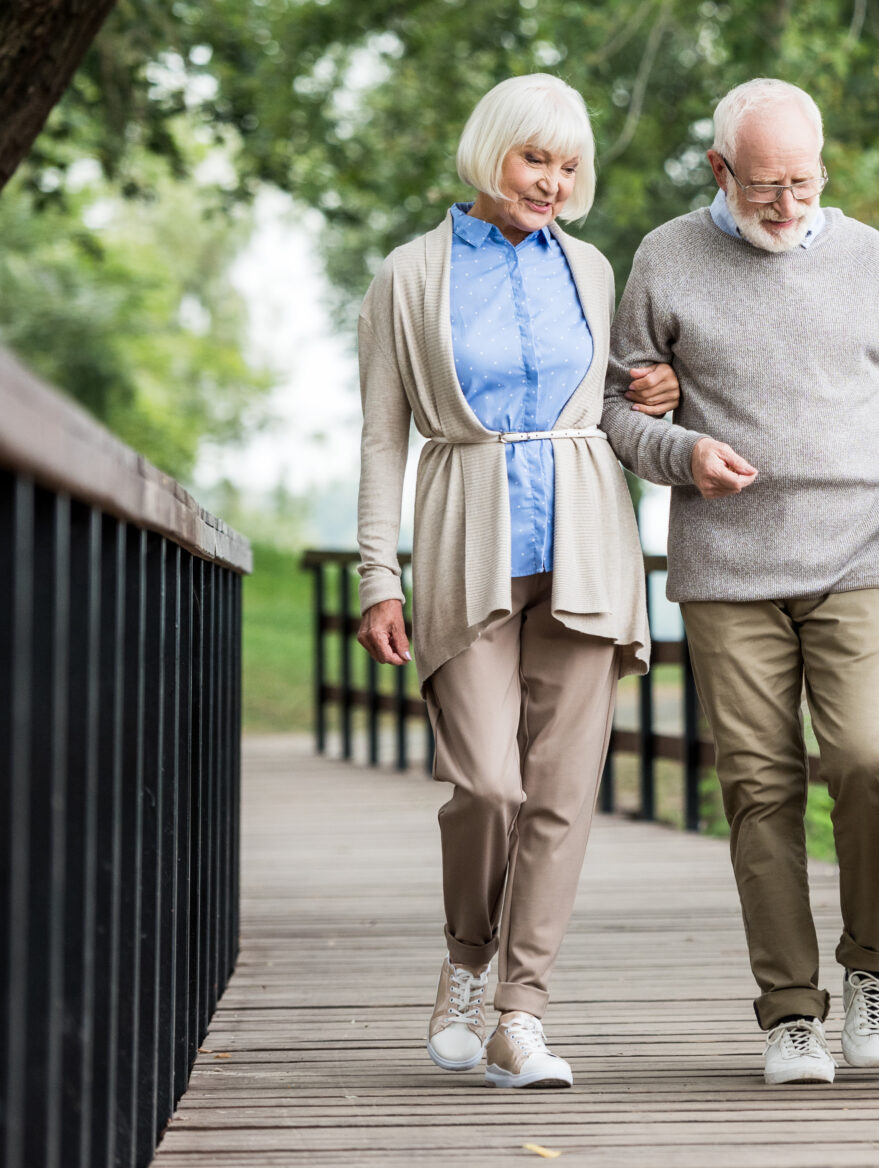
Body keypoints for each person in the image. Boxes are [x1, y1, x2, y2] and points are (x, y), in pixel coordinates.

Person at [601, 76, 879, 1085]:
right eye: (764, 185)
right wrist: (681, 453)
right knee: (758, 785)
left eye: (802, 183)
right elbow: (614, 408)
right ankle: (788, 1013)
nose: (785, 204)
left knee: (866, 758)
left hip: (855, 552)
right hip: (728, 565)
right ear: (721, 170)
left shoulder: (869, 258)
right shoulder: (666, 258)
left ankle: (874, 971)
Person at [353, 73, 650, 1090]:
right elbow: (383, 436)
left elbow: (597, 395)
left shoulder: (593, 268)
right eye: (536, 160)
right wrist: (373, 575)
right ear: (491, 154)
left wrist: (644, 389)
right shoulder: (409, 273)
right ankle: (467, 964)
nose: (553, 183)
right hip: (461, 539)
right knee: (488, 784)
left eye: (570, 167)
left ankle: (522, 1013)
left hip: (586, 541)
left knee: (562, 793)